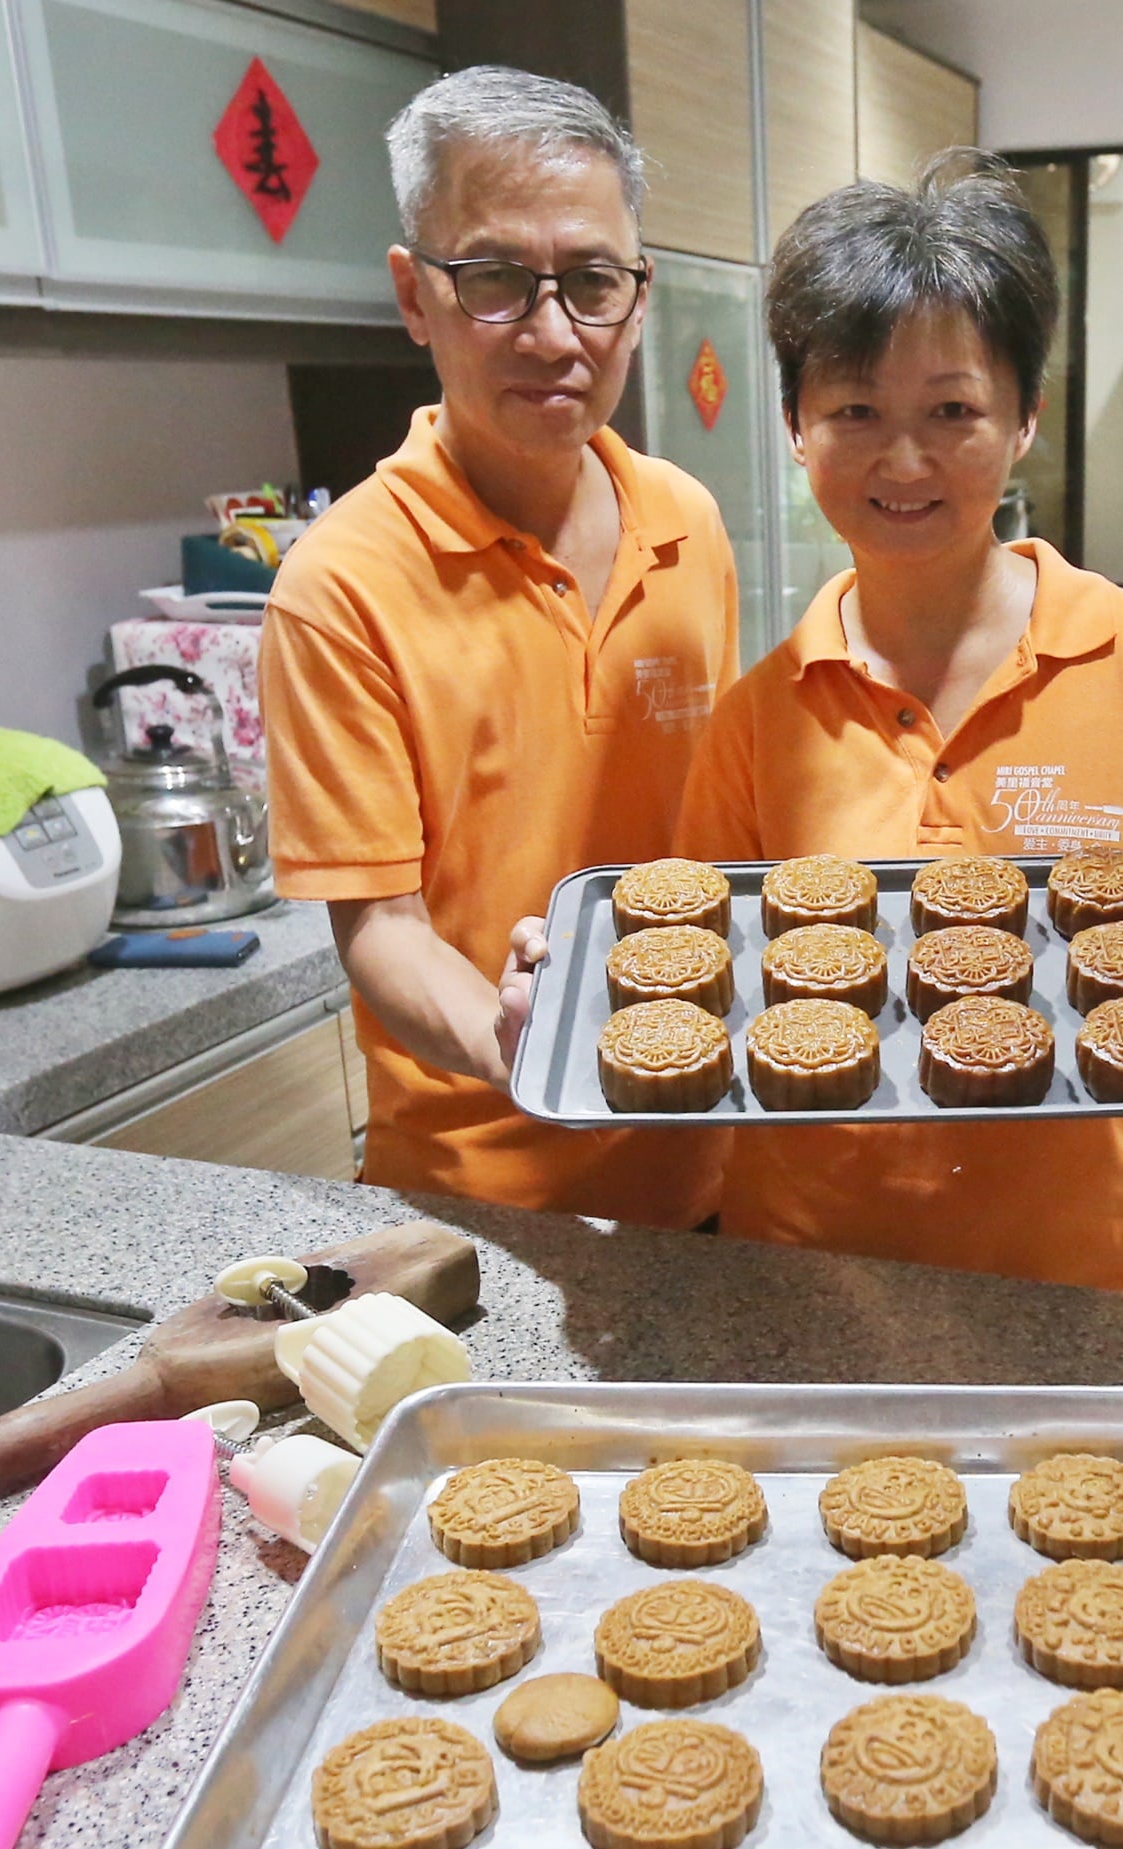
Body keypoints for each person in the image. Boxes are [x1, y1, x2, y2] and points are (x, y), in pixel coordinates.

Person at [670, 155, 1123, 1298]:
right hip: (814, 1267)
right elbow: (712, 956)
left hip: (1091, 1263)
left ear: (1023, 421)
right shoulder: (761, 716)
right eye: (854, 410)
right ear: (796, 426)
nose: (903, 459)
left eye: (952, 410)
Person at [261, 67, 735, 1223]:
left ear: (639, 295)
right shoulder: (341, 586)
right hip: (485, 1200)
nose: (552, 333)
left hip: (716, 1162)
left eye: (591, 282)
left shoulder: (688, 521)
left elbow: (717, 837)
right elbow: (382, 928)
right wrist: (529, 1046)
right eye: (494, 280)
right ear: (413, 296)